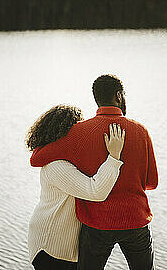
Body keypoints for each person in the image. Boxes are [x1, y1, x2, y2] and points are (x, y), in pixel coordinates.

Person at [30, 75, 158, 270]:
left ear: (96, 98)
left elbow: (36, 159)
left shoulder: (78, 132)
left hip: (98, 224)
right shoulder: (140, 131)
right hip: (136, 220)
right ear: (119, 96)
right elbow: (151, 183)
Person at [27, 104, 126, 269]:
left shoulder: (66, 160)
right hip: (50, 246)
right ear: (66, 132)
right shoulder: (57, 165)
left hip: (62, 247)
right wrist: (114, 157)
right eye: (78, 128)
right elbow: (96, 191)